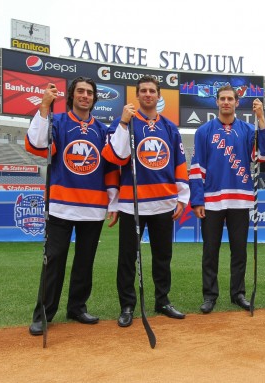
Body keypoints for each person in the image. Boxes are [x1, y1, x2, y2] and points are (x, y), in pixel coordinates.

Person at [25, 77, 119, 335]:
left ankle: (77, 307)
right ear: (71, 95)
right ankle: (44, 313)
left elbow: (110, 168)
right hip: (61, 206)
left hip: (93, 207)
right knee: (53, 260)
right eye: (80, 91)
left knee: (84, 262)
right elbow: (37, 145)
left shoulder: (102, 129)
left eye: (89, 92)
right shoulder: (58, 122)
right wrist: (45, 107)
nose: (85, 96)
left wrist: (113, 201)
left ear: (94, 98)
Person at [102, 75, 190, 327]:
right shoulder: (126, 123)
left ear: (159, 96)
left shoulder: (170, 128)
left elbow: (179, 164)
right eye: (143, 91)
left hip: (163, 202)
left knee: (163, 256)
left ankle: (162, 300)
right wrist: (122, 123)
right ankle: (127, 305)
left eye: (152, 90)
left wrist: (182, 197)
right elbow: (116, 156)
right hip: (133, 203)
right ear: (137, 95)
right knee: (127, 258)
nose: (148, 94)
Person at [189, 85, 265, 314]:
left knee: (239, 250)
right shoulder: (203, 131)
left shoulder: (248, 130)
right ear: (217, 102)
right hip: (212, 199)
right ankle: (210, 295)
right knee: (210, 251)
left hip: (240, 199)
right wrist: (197, 201)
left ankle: (238, 294)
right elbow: (196, 168)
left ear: (237, 103)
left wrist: (261, 119)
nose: (226, 102)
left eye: (230, 99)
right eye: (223, 99)